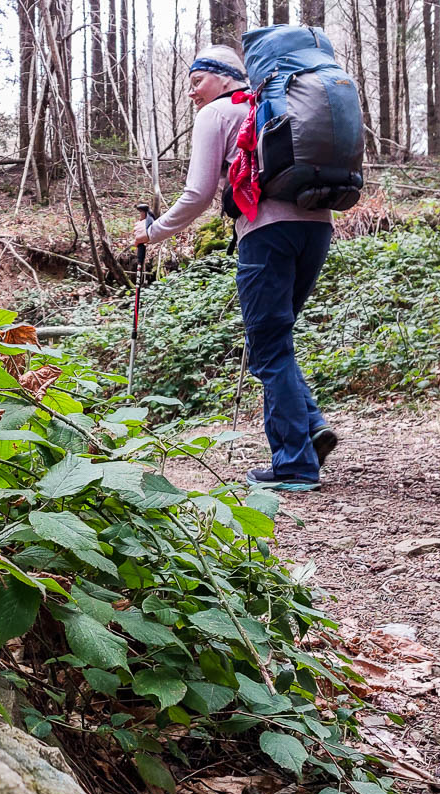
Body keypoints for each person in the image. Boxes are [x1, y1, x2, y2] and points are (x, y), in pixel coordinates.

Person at [135, 43, 339, 491]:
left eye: (197, 82)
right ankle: (312, 430)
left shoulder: (217, 114)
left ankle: (293, 466)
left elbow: (198, 195)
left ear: (225, 76)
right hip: (318, 227)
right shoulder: (274, 104)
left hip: (266, 233)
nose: (192, 93)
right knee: (275, 341)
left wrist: (152, 233)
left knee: (267, 347)